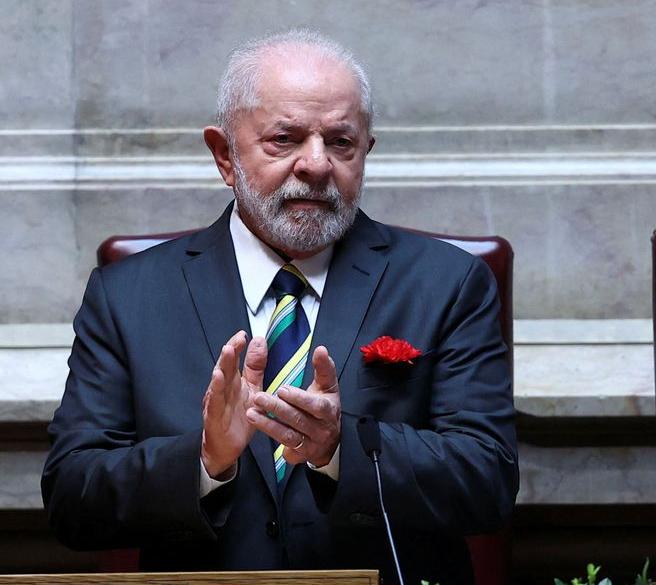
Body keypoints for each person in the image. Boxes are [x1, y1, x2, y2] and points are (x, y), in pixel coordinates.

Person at [42, 30, 517, 584]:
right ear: (224, 155)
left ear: (366, 151)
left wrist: (342, 446)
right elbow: (73, 500)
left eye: (341, 142)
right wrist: (203, 461)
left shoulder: (448, 283)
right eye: (284, 139)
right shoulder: (128, 296)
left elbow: (488, 483)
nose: (316, 165)